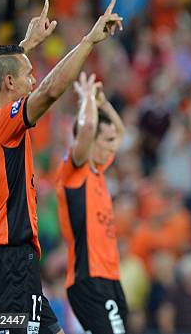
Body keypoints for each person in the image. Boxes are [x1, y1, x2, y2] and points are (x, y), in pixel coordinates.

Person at [0, 0, 122, 334]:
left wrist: (26, 46)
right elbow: (50, 91)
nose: (33, 80)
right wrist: (89, 41)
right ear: (9, 83)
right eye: (28, 75)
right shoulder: (2, 125)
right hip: (9, 261)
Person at [55, 72, 127, 334]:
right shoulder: (75, 172)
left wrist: (103, 102)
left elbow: (119, 133)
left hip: (110, 279)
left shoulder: (98, 168)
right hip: (89, 278)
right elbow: (85, 129)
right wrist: (86, 100)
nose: (112, 147)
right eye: (105, 141)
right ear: (90, 143)